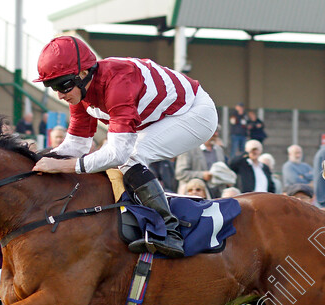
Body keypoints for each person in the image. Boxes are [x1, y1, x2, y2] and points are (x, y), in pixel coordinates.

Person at [31, 36, 218, 258]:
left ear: (83, 74)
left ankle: (169, 232)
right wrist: (36, 162)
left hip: (194, 114)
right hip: (161, 117)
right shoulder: (80, 93)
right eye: (52, 86)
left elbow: (118, 154)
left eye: (63, 85)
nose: (60, 94)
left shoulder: (118, 83)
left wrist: (64, 167)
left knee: (131, 157)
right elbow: (76, 145)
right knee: (125, 158)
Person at [174, 128, 228, 196]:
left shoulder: (219, 150)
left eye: (217, 132)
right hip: (193, 196)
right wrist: (202, 175)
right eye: (213, 131)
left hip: (216, 195)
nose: (216, 134)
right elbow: (180, 173)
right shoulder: (189, 150)